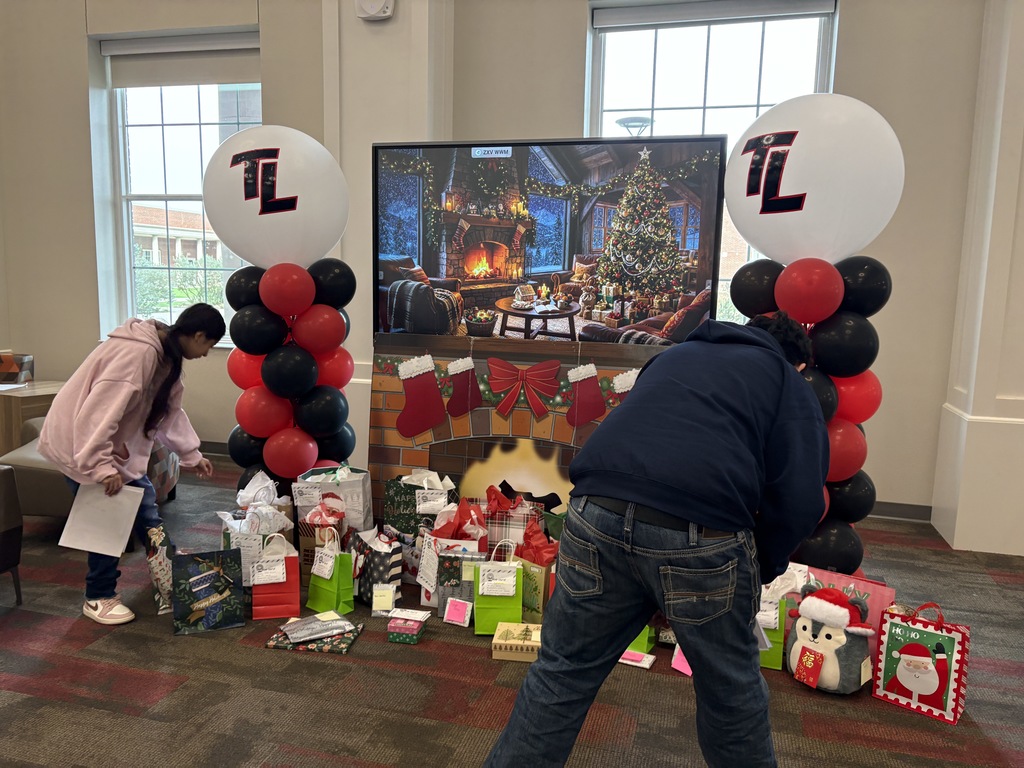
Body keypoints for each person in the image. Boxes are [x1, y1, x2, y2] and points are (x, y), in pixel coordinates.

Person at [484, 312, 830, 768]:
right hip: (702, 530)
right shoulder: (786, 380)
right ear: (797, 362)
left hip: (593, 510)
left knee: (561, 673)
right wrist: (759, 566)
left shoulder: (675, 355)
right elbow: (801, 499)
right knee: (731, 695)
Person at [39, 303, 226, 625]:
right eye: (209, 345)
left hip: (105, 448)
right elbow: (100, 412)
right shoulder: (137, 354)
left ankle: (168, 568)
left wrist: (191, 454)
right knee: (109, 518)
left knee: (143, 506)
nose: (207, 353)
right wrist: (100, 467)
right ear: (197, 335)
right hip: (80, 445)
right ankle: (98, 596)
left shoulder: (165, 357)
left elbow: (169, 412)